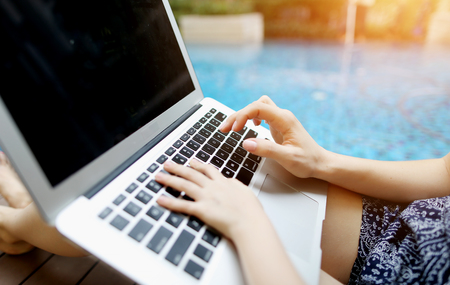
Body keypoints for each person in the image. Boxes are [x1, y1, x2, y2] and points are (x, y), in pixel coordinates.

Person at [1, 95, 450, 284]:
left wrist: (246, 220)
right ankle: (25, 210)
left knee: (151, 200)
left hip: (320, 270)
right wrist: (322, 161)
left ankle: (18, 222)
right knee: (164, 168)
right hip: (372, 216)